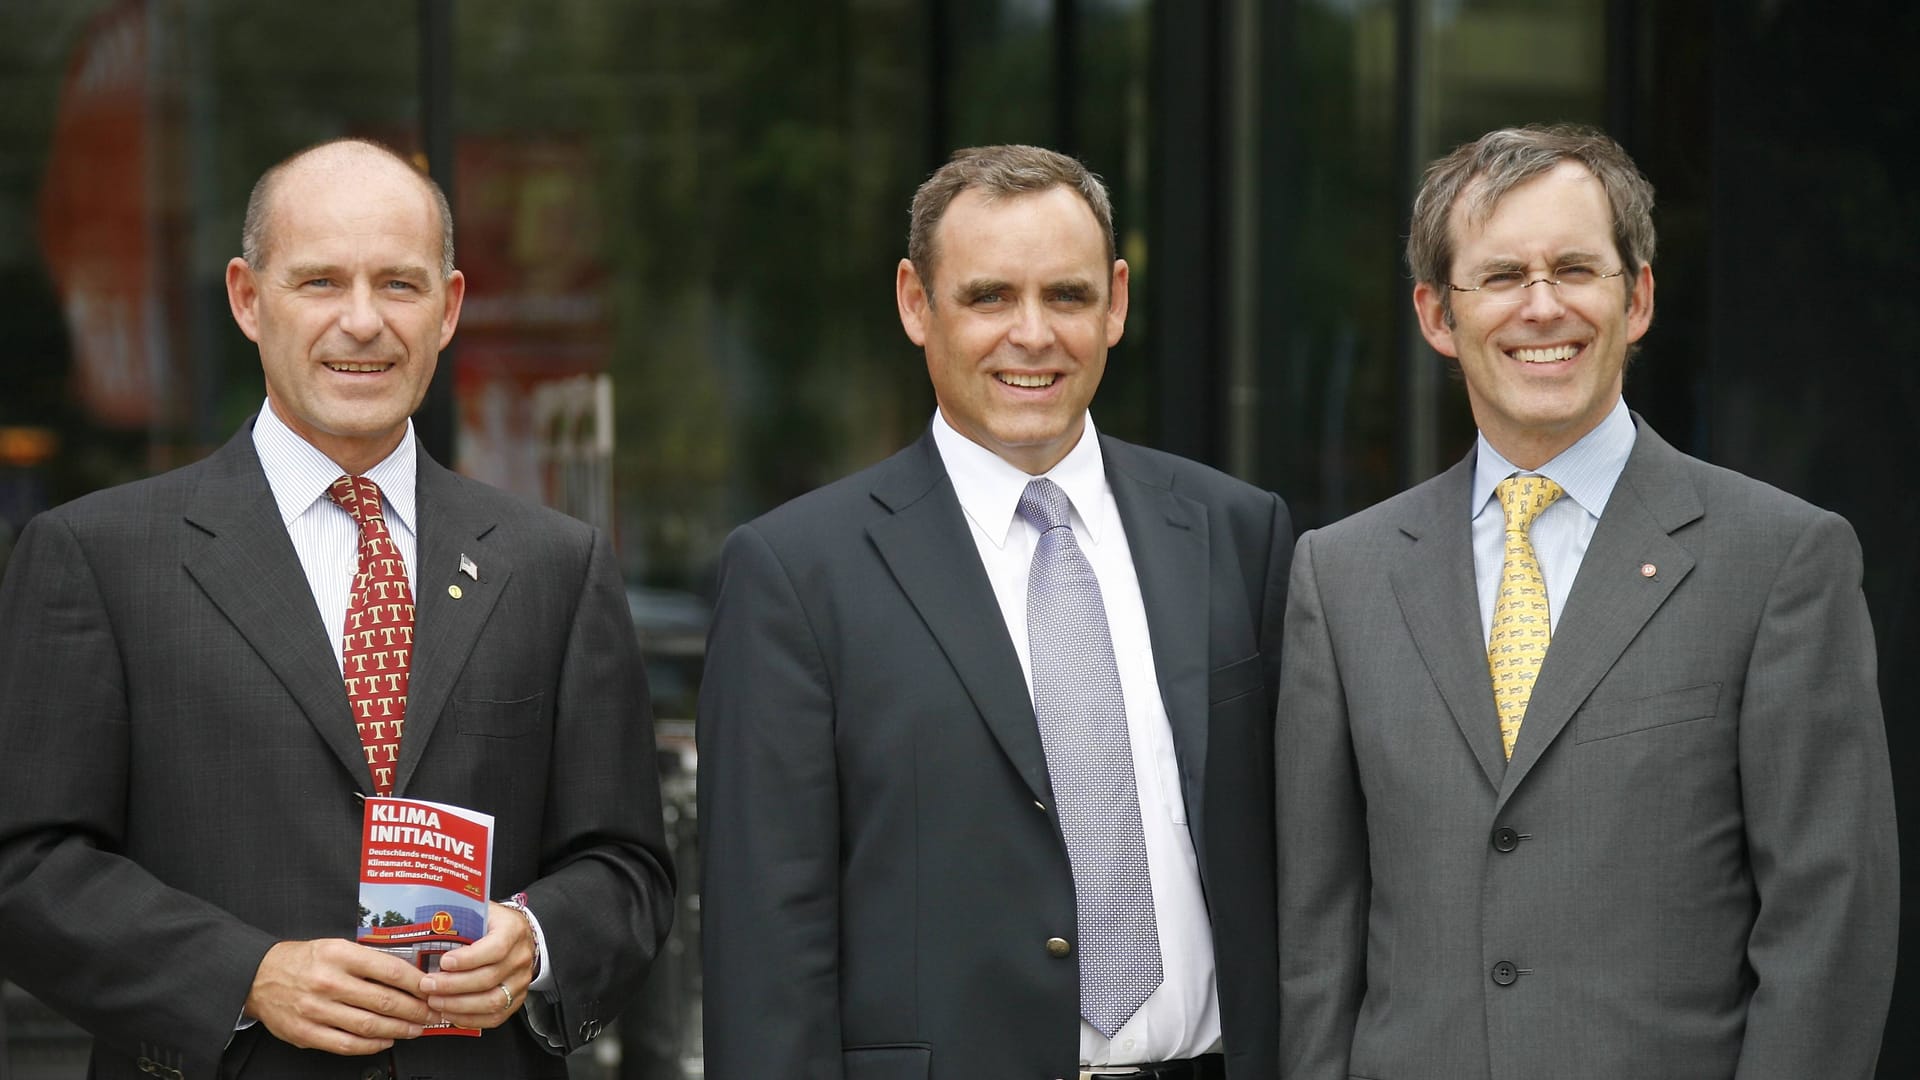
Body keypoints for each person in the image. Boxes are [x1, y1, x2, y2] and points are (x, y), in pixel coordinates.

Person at [0, 138, 674, 1079]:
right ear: (246, 297)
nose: (363, 322)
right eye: (320, 282)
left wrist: (537, 939)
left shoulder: (554, 565)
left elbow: (627, 869)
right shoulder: (98, 559)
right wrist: (246, 975)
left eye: (399, 285)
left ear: (449, 309)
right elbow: (28, 868)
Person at [1275, 123, 1898, 1079]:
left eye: (1575, 269)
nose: (1542, 306)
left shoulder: (1779, 561)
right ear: (1438, 315)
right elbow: (1320, 935)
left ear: (1637, 296)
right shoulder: (1342, 575)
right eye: (1501, 277)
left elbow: (1829, 921)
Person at [698, 144, 1293, 1079]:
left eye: (1066, 295)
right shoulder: (796, 574)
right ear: (913, 303)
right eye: (988, 298)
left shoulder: (1239, 532)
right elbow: (767, 944)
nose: (1033, 334)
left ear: (1117, 303)